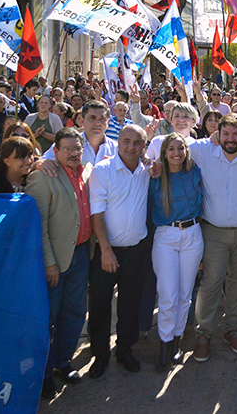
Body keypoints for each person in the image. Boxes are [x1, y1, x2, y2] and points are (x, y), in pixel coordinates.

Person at [188, 114, 237, 362]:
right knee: (211, 280)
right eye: (225, 133)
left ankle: (232, 329)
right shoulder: (201, 150)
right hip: (213, 231)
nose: (230, 139)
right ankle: (204, 334)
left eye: (235, 134)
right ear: (217, 133)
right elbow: (171, 147)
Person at [24, 128, 93, 398]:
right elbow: (38, 226)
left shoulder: (86, 170)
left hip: (81, 255)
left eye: (78, 148)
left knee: (75, 313)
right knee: (47, 319)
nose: (74, 153)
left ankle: (62, 363)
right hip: (55, 260)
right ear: (56, 151)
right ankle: (40, 373)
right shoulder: (43, 177)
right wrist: (49, 263)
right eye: (68, 149)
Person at [87, 125, 150, 378]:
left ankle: (125, 350)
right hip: (106, 251)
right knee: (100, 305)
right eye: (126, 141)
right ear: (118, 142)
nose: (131, 147)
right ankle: (100, 355)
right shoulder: (103, 170)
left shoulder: (148, 170)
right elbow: (96, 212)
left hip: (136, 250)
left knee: (130, 304)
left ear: (144, 146)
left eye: (137, 143)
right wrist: (105, 250)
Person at [147, 133, 204, 371]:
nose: (176, 153)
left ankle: (177, 342)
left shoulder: (195, 172)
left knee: (185, 294)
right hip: (166, 236)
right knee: (168, 294)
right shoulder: (156, 176)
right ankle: (164, 343)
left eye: (180, 148)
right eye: (171, 149)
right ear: (164, 152)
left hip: (193, 233)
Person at [41, 101, 117, 168]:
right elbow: (42, 161)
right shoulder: (67, 143)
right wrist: (39, 163)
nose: (97, 123)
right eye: (92, 118)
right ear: (83, 121)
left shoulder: (116, 149)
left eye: (102, 119)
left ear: (107, 122)